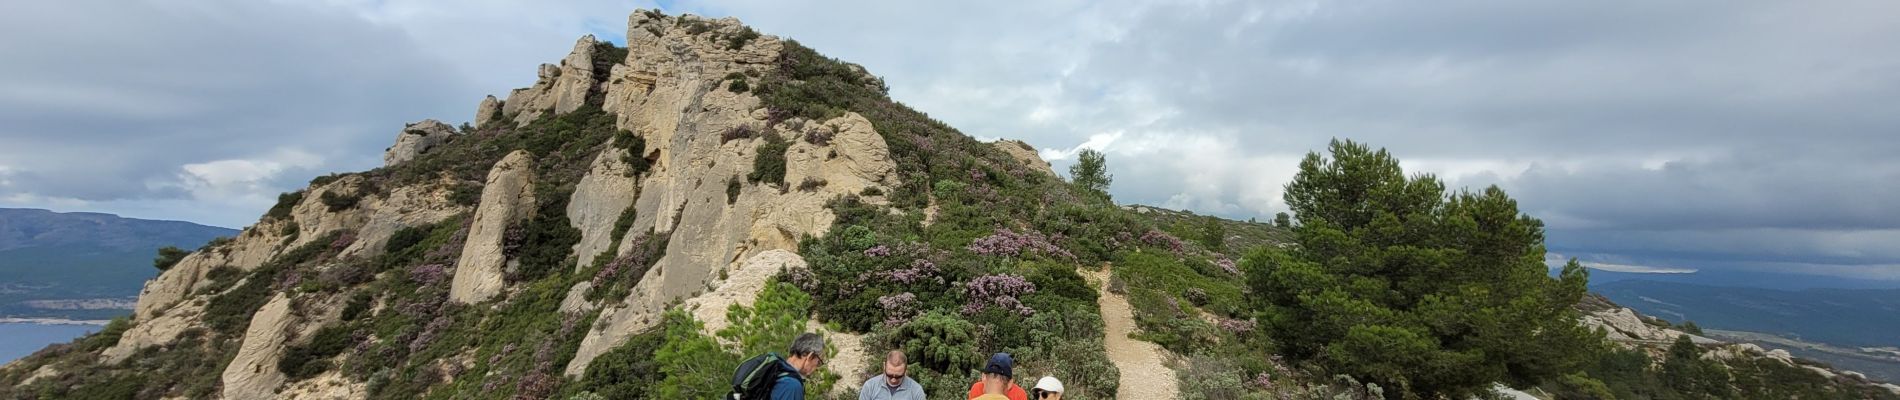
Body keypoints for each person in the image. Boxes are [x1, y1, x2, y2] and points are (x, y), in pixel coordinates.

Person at [770, 333, 827, 400]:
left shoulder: (776, 369)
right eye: (819, 362)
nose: (817, 368)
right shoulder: (792, 386)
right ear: (810, 356)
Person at [860, 350, 925, 400]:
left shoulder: (916, 391)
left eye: (898, 376)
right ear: (884, 366)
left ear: (906, 370)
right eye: (889, 375)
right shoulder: (870, 386)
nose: (893, 380)